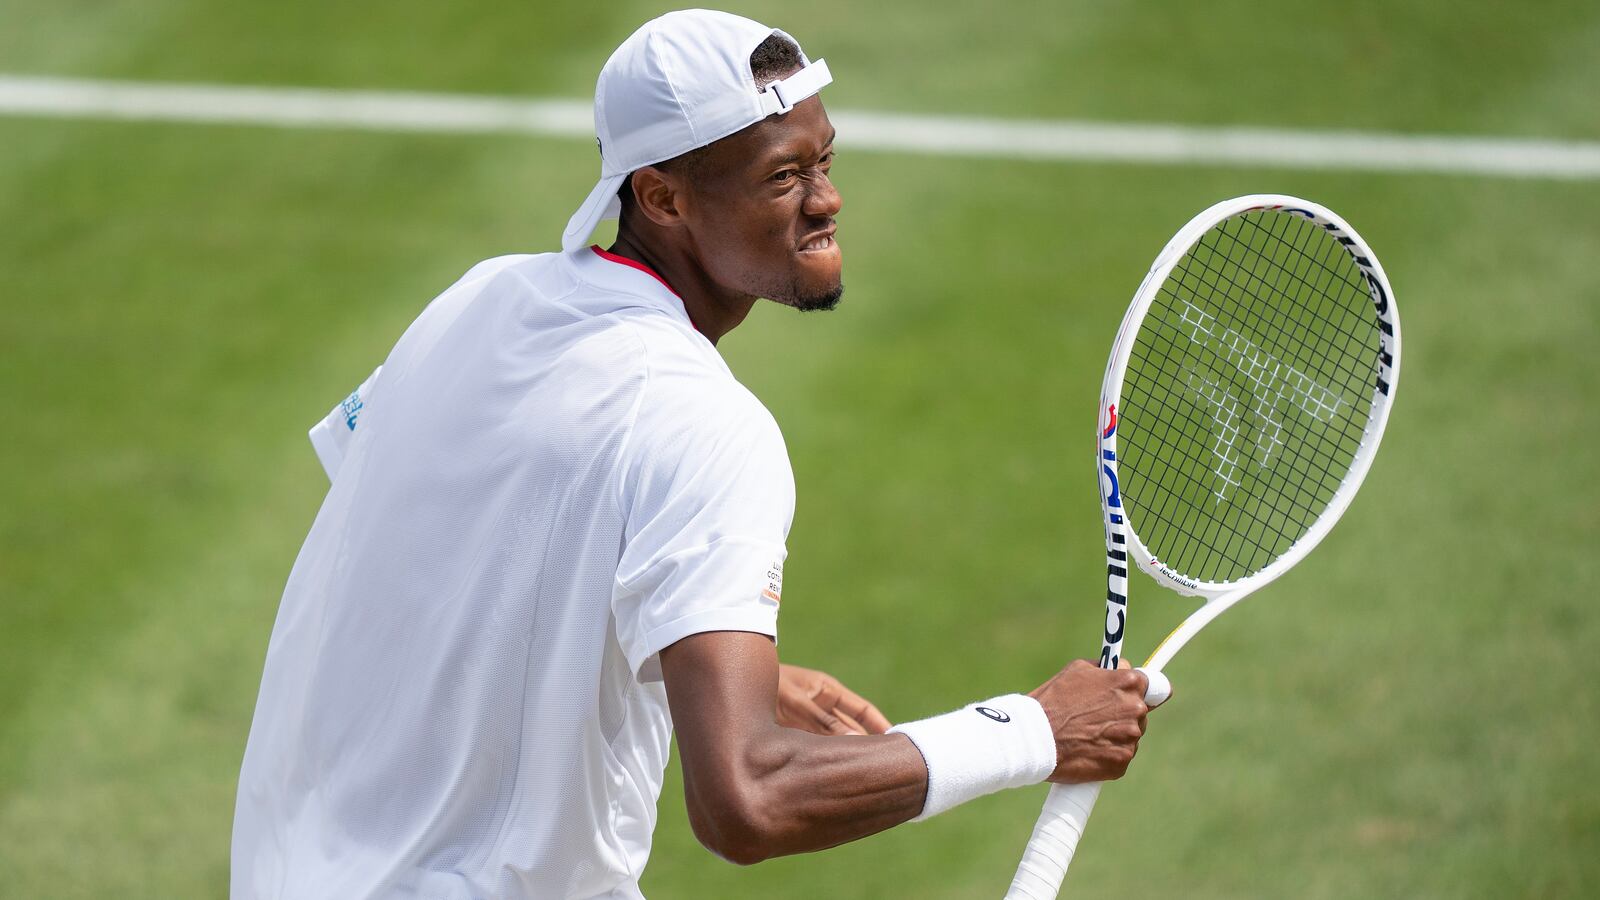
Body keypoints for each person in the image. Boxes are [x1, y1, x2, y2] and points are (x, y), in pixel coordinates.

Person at [231, 10, 1154, 899]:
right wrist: (1033, 731)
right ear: (662, 197)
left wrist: (672, 646)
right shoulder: (709, 427)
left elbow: (424, 554)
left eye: (824, 159)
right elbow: (746, 801)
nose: (827, 200)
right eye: (783, 176)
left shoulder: (476, 300)